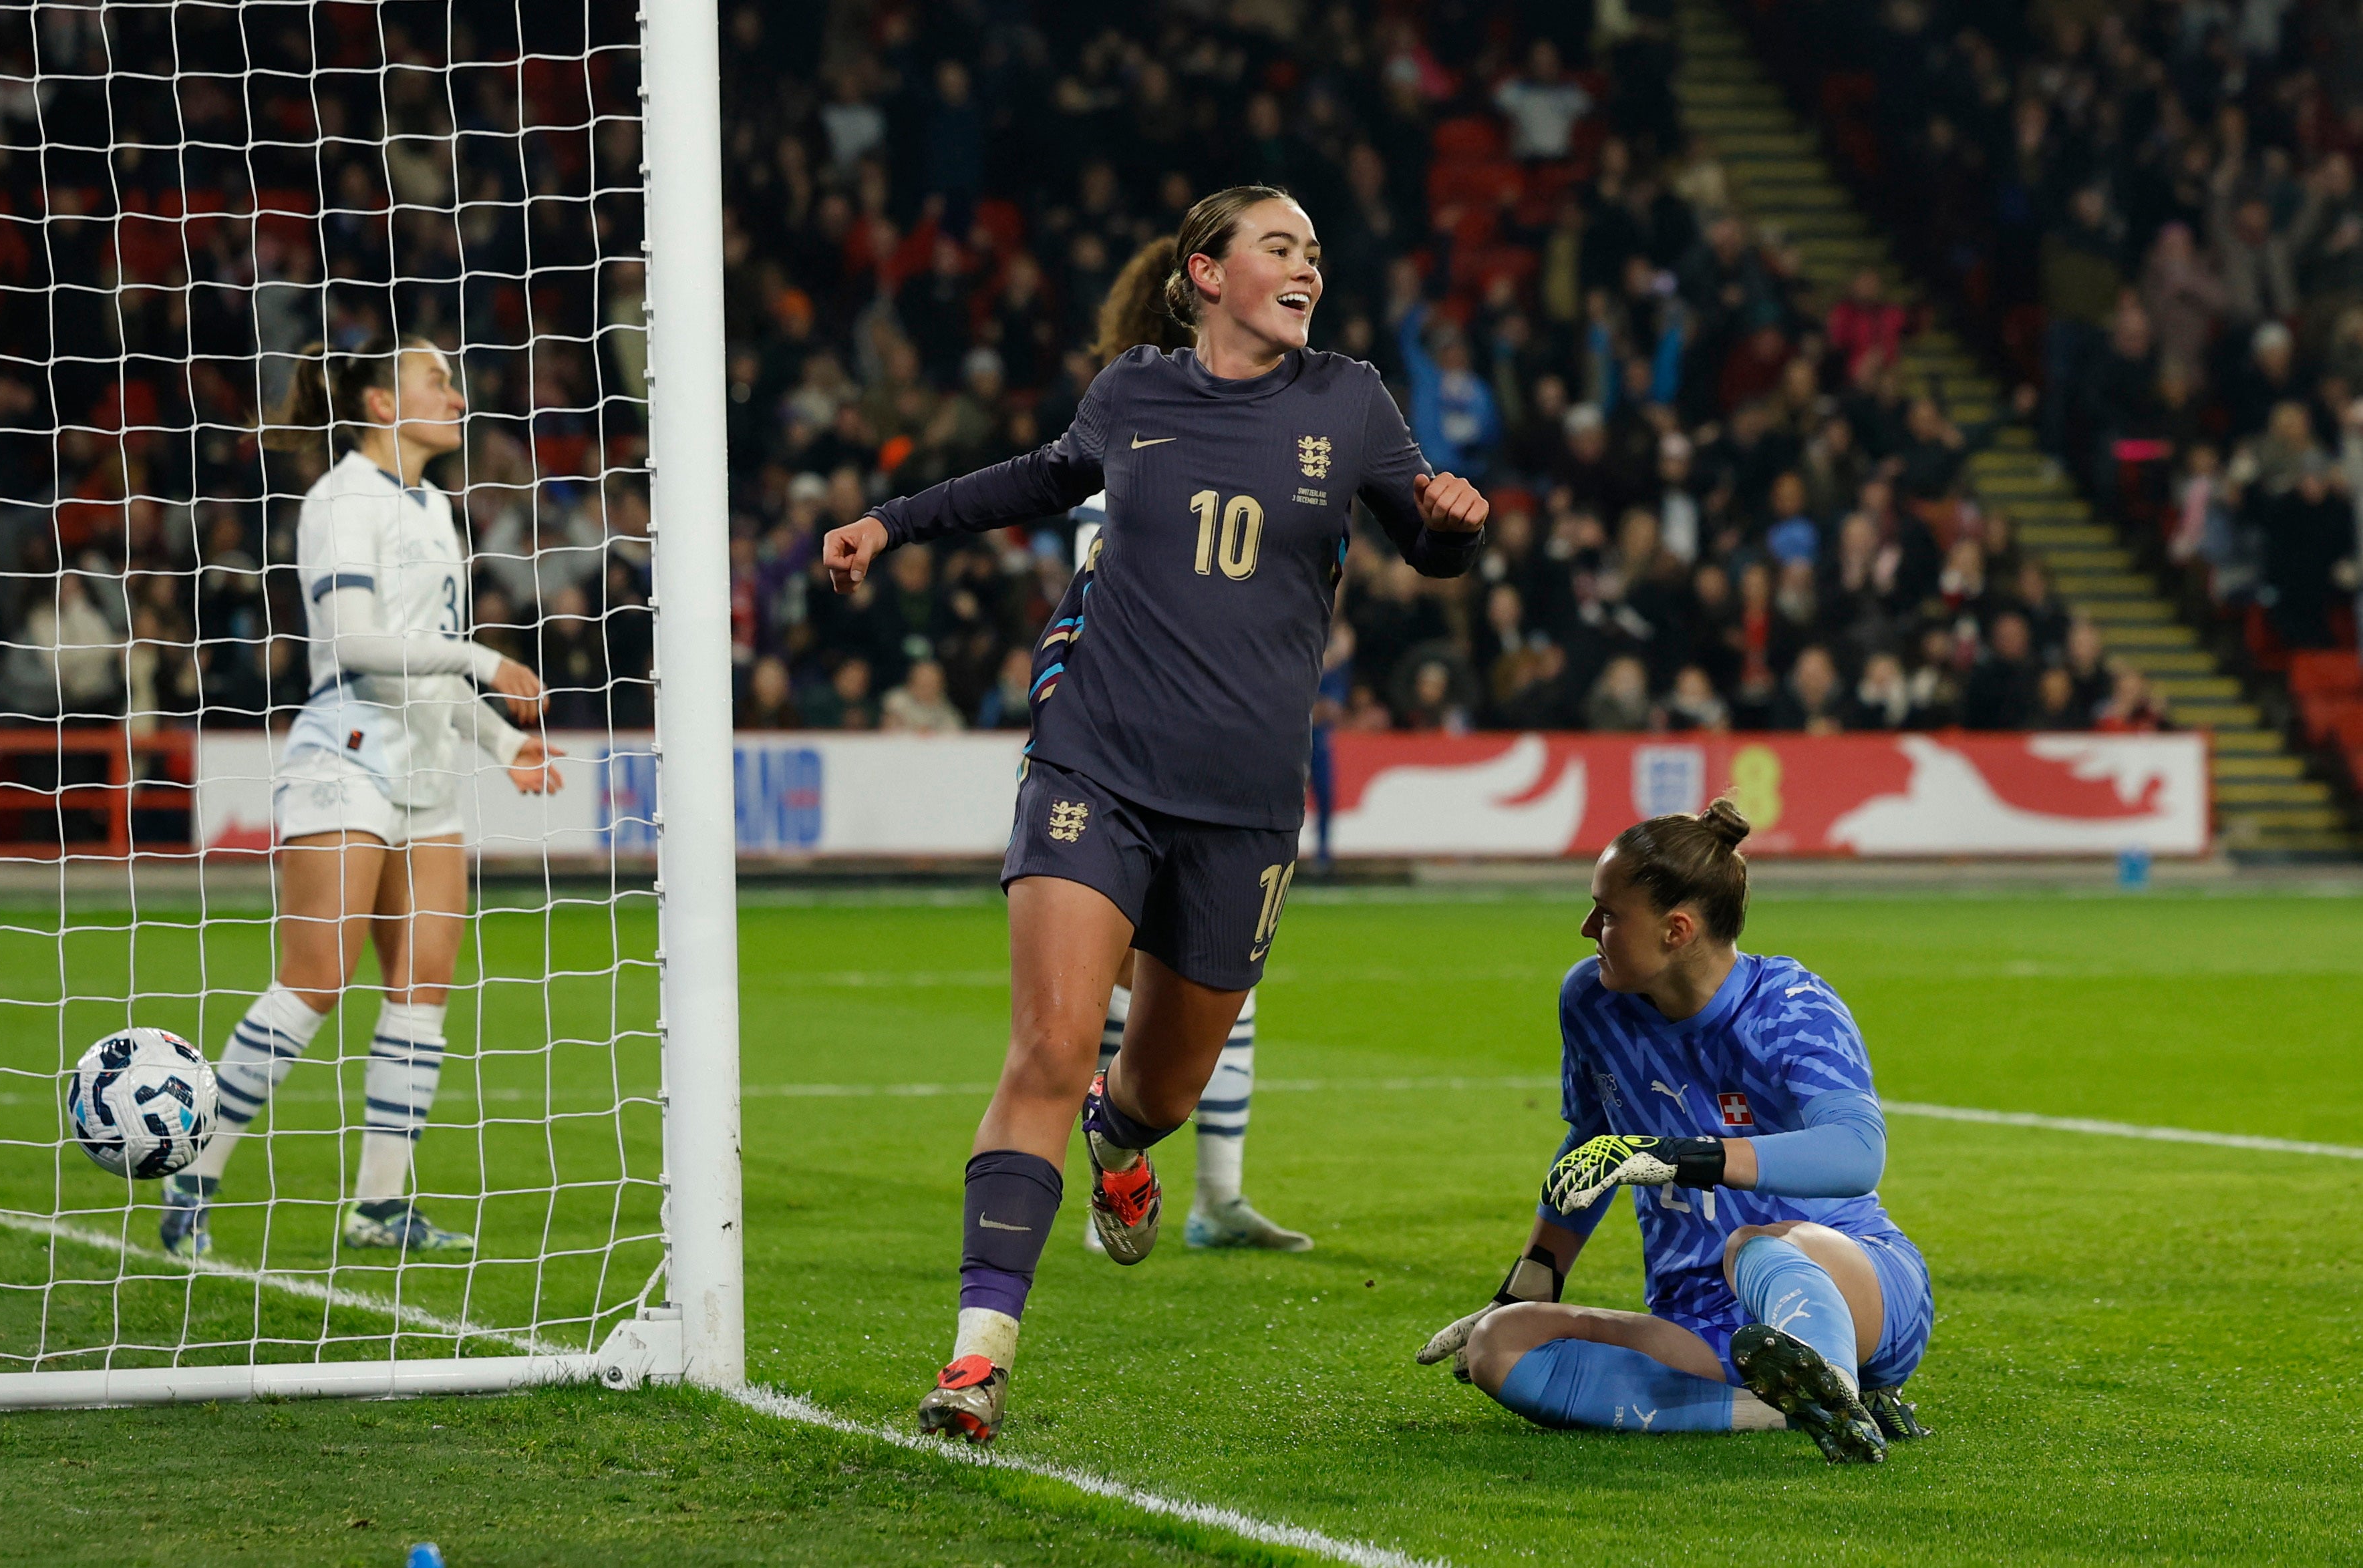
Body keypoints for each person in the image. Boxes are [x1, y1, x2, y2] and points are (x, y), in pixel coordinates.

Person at [822, 184, 1488, 1441]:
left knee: (1160, 1088)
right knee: (1050, 1040)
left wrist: (1453, 525)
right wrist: (887, 522)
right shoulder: (1131, 392)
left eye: (1313, 252)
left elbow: (1425, 544)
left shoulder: (1349, 400)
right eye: (1279, 247)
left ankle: (1119, 1140)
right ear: (1207, 271)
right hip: (1097, 763)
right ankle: (977, 1361)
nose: (1305, 268)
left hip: (1240, 808)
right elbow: (1036, 477)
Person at [162, 335, 562, 1257]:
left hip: (429, 766)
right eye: (437, 380)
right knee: (316, 975)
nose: (457, 396)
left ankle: (381, 1203)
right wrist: (486, 659)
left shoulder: (433, 505)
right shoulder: (339, 497)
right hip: (347, 750)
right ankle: (196, 1170)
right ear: (382, 403)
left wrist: (503, 742)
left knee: (421, 985)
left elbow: (429, 662)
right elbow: (356, 642)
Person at [1414, 800, 1933, 1465]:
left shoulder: (1788, 1005)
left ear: (1676, 930)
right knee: (1499, 1345)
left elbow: (1857, 1151)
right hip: (1697, 1314)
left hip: (1849, 1282)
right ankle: (1785, 1409)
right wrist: (1532, 1278)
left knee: (1754, 1248)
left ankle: (1831, 1379)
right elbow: (1592, 1146)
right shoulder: (1592, 1001)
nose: (1585, 928)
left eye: (1606, 914)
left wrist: (1679, 1157)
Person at [1073, 235, 1313, 1257]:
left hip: (1221, 748)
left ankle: (1218, 1194)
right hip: (1123, 742)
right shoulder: (1137, 439)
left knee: (1220, 974)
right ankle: (1115, 1162)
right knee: (1123, 972)